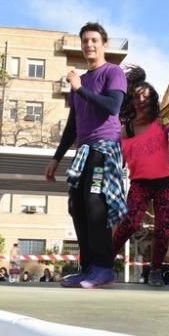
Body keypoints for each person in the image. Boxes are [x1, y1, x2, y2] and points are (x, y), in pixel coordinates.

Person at [45, 22, 128, 289]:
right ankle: (88, 268)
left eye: (94, 40)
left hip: (105, 148)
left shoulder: (113, 72)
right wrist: (56, 158)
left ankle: (104, 268)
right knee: (76, 206)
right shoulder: (79, 83)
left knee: (95, 203)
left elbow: (113, 106)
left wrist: (80, 88)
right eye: (84, 41)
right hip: (84, 151)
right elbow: (72, 125)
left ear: (104, 44)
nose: (89, 45)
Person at [112, 80, 169, 287]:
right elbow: (114, 150)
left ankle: (155, 271)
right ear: (131, 100)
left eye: (145, 96)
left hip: (164, 183)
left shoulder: (163, 122)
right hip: (139, 183)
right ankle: (105, 260)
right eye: (137, 96)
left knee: (163, 227)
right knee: (130, 223)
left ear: (152, 99)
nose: (141, 100)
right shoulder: (126, 128)